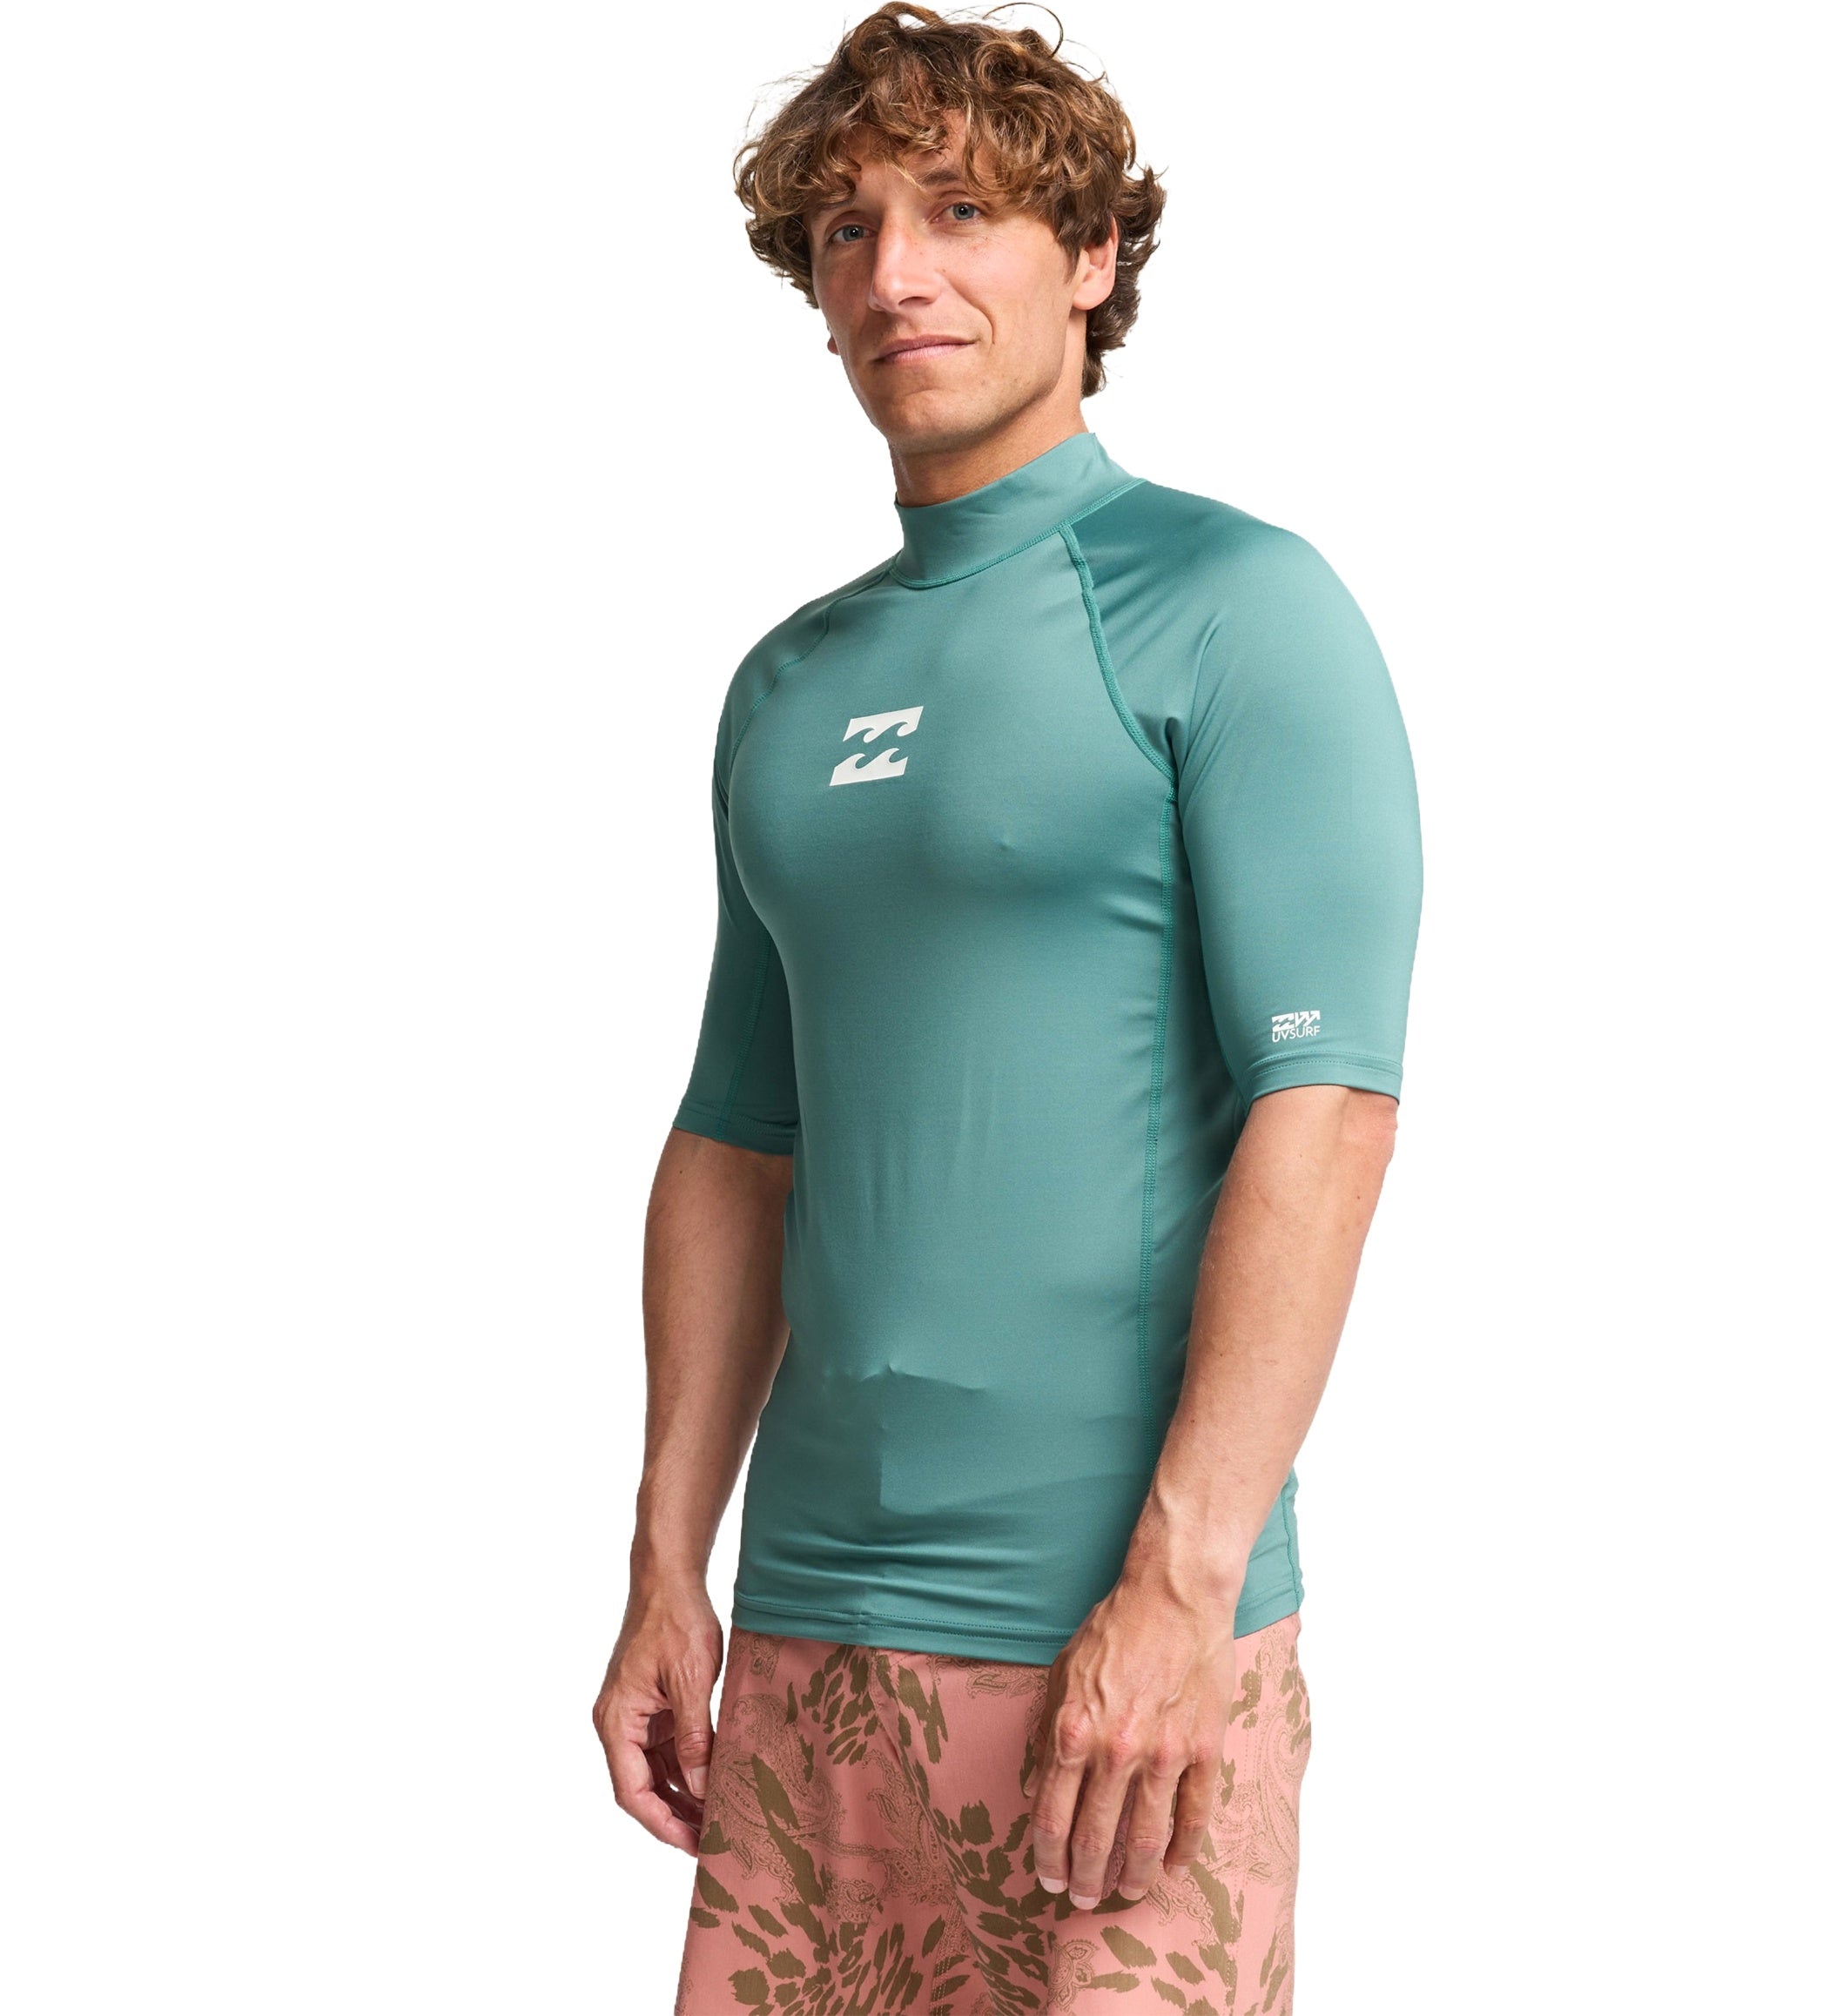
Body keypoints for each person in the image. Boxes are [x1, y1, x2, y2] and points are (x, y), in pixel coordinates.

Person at [592, 7, 1423, 2009]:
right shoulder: (789, 685)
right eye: (848, 229)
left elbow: (1328, 1107)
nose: (898, 272)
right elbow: (737, 1137)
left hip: (1116, 1648)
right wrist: (665, 1568)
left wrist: (1183, 1591)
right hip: (810, 1632)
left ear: (1094, 255)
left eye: (962, 211)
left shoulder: (1234, 606)